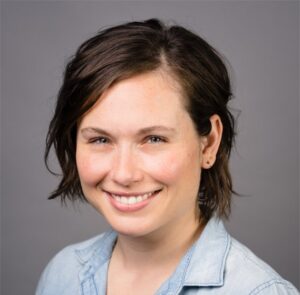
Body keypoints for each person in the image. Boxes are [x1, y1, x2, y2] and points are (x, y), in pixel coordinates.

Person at [36, 19, 299, 295]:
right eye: (100, 139)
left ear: (209, 143)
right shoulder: (62, 274)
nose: (124, 174)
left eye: (154, 139)